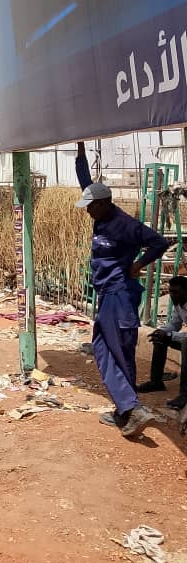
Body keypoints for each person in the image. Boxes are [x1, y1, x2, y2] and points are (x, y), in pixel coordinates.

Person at [76, 141, 170, 438]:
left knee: (108, 350)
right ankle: (126, 410)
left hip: (119, 294)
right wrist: (81, 152)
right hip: (109, 294)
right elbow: (86, 183)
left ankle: (130, 407)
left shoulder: (124, 224)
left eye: (90, 206)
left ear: (104, 203)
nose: (87, 210)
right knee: (117, 351)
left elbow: (159, 242)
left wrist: (138, 264)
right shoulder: (101, 214)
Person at [136, 275, 187, 411]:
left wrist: (169, 335)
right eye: (171, 291)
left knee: (186, 344)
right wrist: (162, 332)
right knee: (159, 339)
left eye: (176, 292)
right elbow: (175, 324)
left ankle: (184, 394)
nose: (172, 295)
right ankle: (156, 382)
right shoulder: (178, 304)